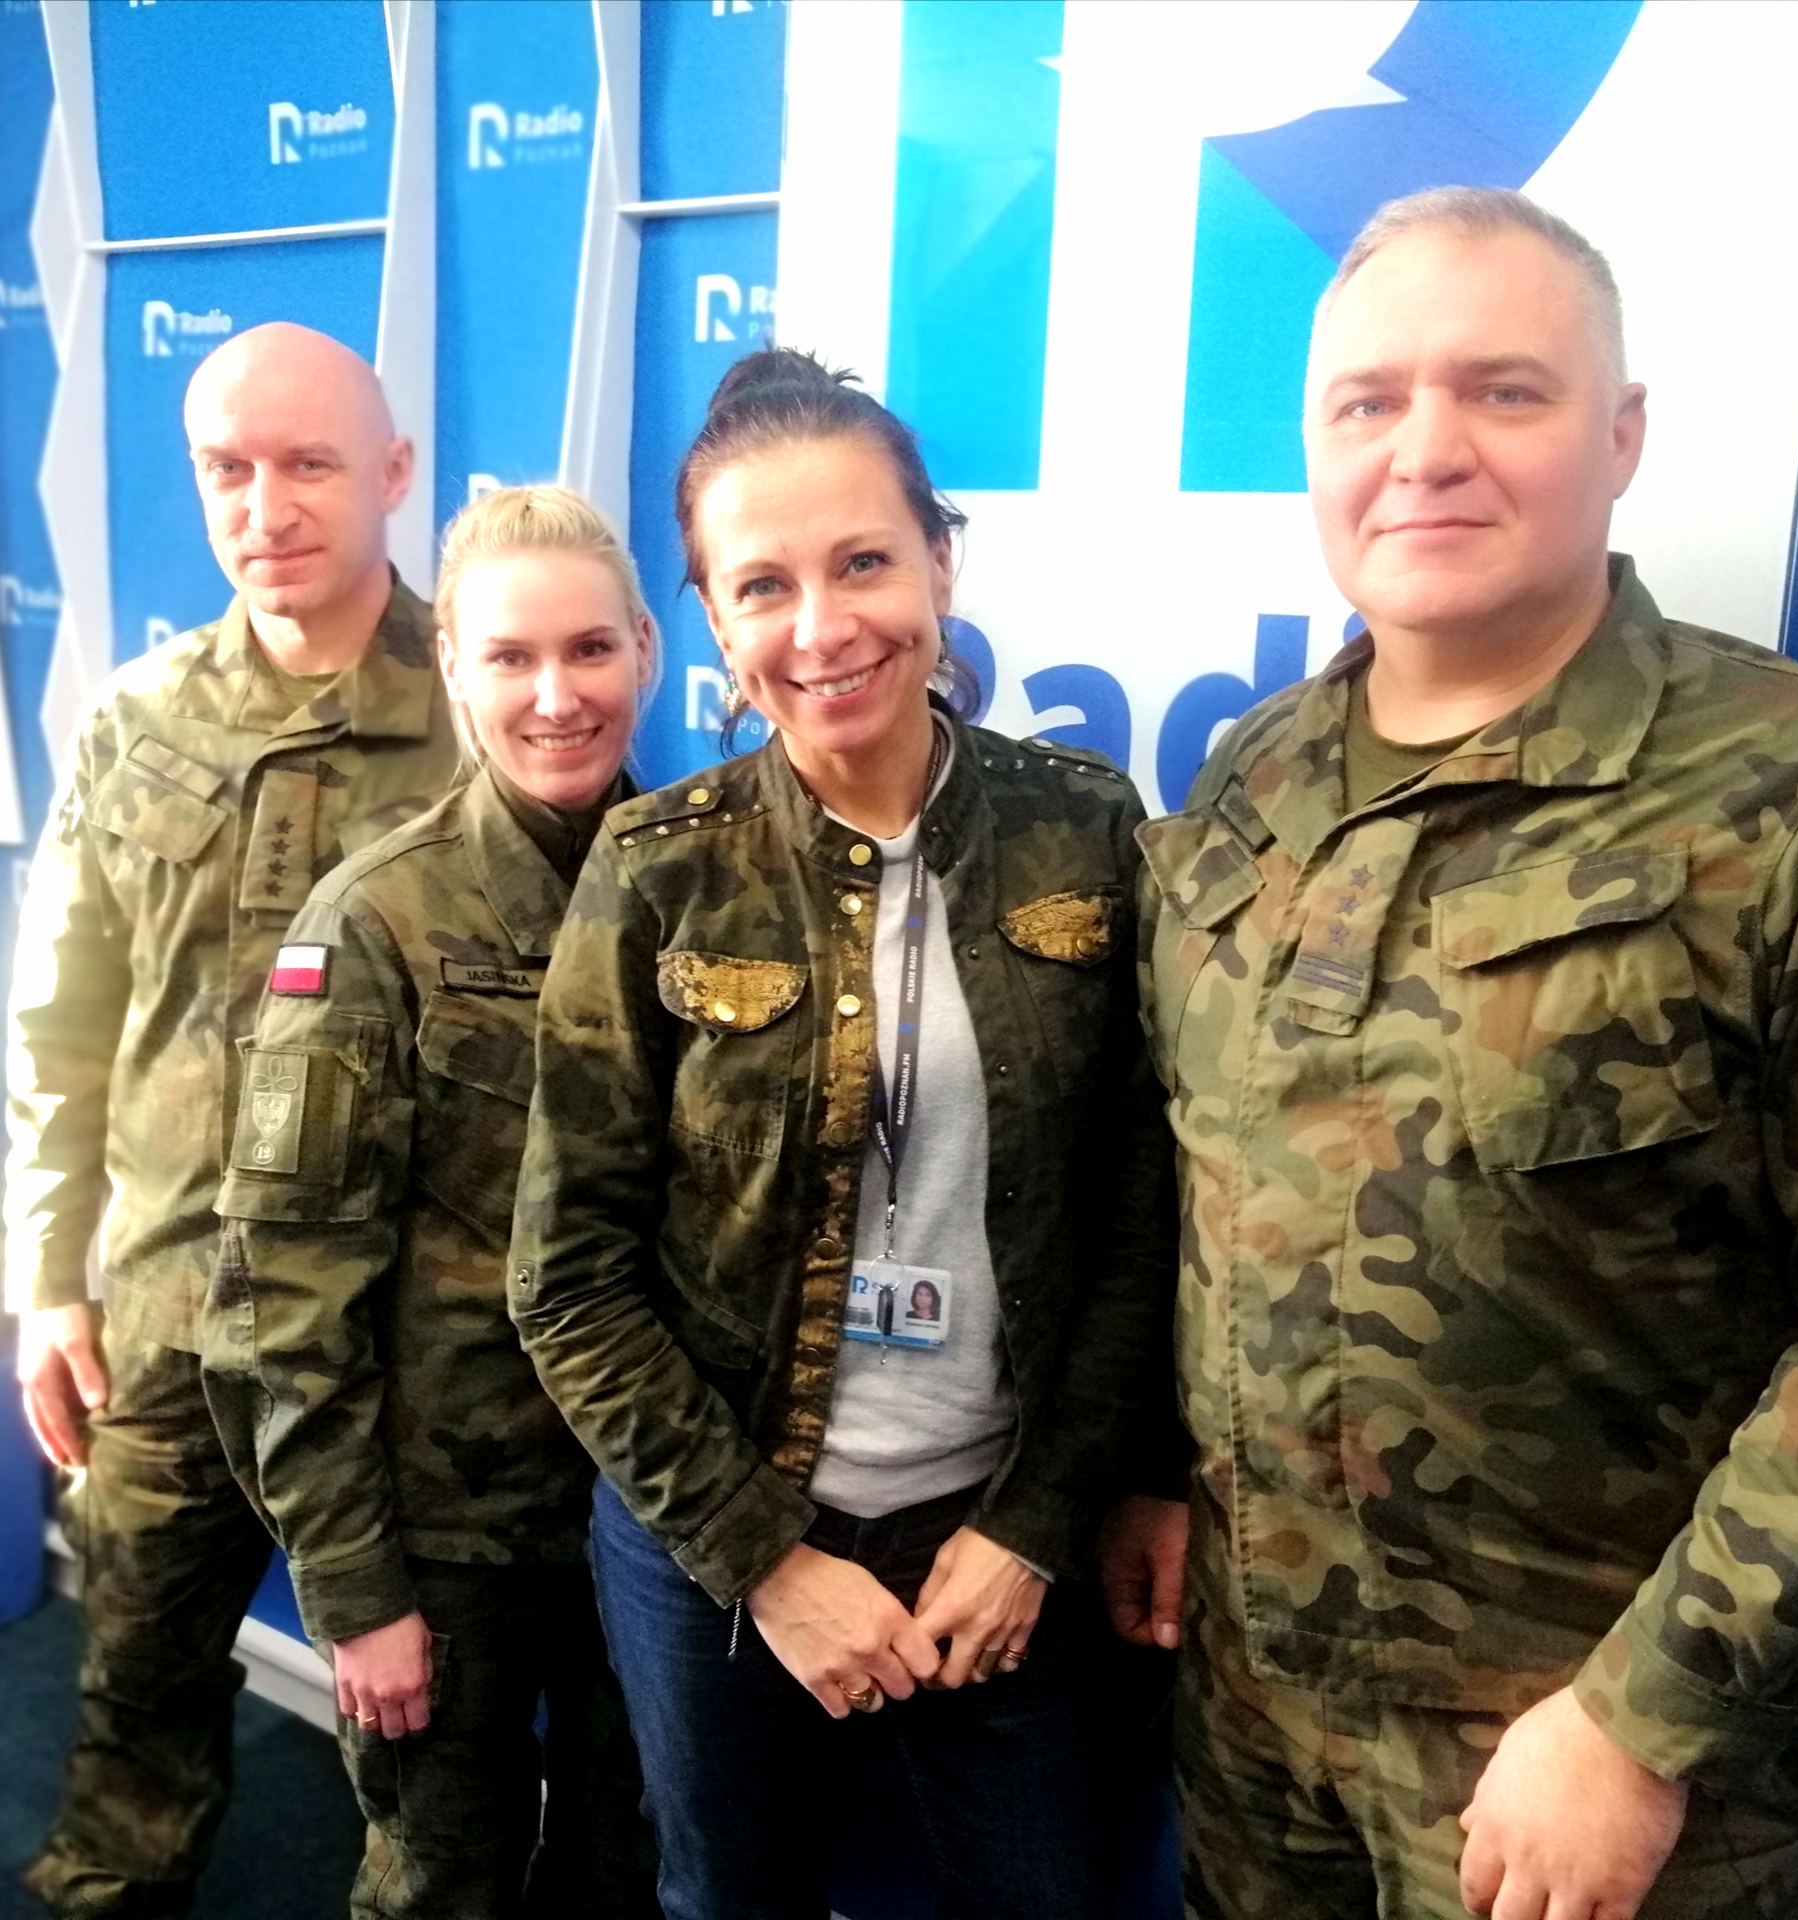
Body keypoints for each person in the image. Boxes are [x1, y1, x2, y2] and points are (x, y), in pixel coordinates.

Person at [1109, 186, 1798, 1920]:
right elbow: (1202, 1179)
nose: (1425, 450)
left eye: (1502, 390)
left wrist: (1643, 1723)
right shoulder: (1256, 776)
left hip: (1593, 1769)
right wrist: (1155, 1469)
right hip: (1255, 1719)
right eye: (1368, 402)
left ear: (1623, 434)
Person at [505, 347, 1176, 1920]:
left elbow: (1138, 1216)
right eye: (763, 586)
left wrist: (1036, 1524)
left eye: (864, 561)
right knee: (725, 1899)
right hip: (711, 1537)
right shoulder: (657, 870)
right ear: (710, 620)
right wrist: (765, 1559)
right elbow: (567, 1275)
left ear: (941, 559)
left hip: (997, 1523)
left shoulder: (1088, 828)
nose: (821, 629)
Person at [6, 322, 462, 1916]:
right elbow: (61, 1023)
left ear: (393, 472)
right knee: (130, 1703)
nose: (265, 507)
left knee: (424, 1755)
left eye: (309, 463)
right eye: (228, 469)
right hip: (163, 1316)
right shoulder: (137, 716)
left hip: (401, 1349)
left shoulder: (493, 713)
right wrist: (46, 1276)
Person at [207, 487, 661, 1916]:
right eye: (511, 656)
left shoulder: (706, 888)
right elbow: (283, 1298)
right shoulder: (373, 925)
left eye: (590, 649)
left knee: (633, 1873)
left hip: (656, 1517)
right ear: (454, 665)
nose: (556, 696)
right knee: (443, 1883)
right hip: (452, 1542)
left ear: (646, 650)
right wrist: (356, 1592)